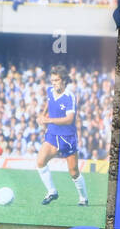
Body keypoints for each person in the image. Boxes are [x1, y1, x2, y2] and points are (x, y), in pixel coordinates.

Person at [35, 65, 88, 206]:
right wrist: (42, 115)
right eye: (52, 80)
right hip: (52, 134)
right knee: (40, 162)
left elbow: (70, 119)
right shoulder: (49, 91)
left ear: (63, 80)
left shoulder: (69, 97)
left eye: (57, 80)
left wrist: (49, 120)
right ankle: (52, 191)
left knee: (73, 171)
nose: (54, 83)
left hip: (67, 138)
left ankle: (83, 198)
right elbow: (48, 103)